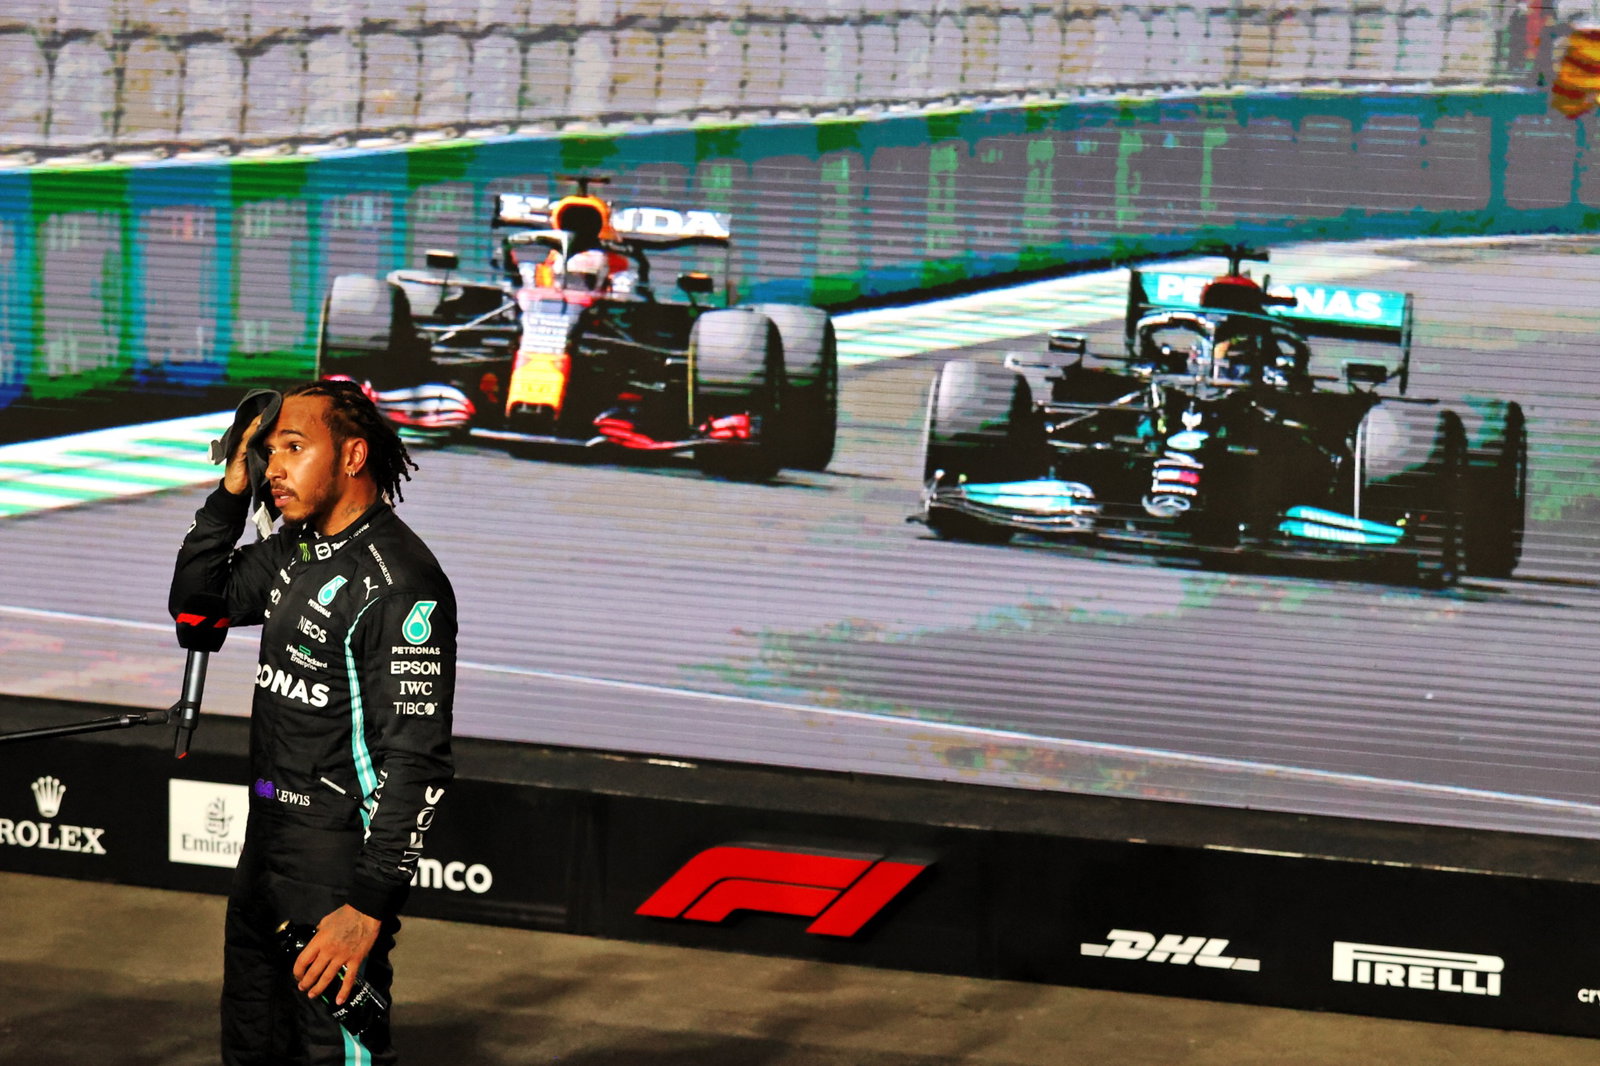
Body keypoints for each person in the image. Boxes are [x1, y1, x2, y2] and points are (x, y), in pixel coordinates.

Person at [170, 379, 457, 1065]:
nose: (275, 468)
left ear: (353, 456)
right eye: (269, 452)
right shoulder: (295, 549)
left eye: (293, 448)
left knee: (333, 1055)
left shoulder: (401, 583)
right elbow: (195, 608)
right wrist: (231, 491)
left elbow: (416, 761)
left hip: (336, 865)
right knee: (251, 1045)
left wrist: (368, 905)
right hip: (265, 844)